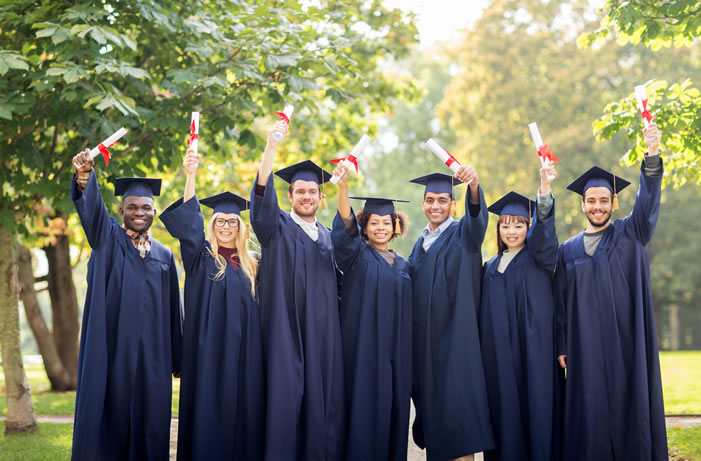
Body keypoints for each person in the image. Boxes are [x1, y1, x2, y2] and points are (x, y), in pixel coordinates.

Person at [555, 122, 666, 460]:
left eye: (604, 200)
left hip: (627, 344)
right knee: (590, 419)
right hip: (584, 349)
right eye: (592, 201)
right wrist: (562, 345)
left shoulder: (630, 234)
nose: (598, 206)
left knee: (631, 410)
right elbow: (560, 304)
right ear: (583, 204)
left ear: (613, 203)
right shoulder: (567, 250)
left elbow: (647, 206)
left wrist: (652, 154)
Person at [69, 150, 182, 461]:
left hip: (153, 358)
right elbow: (91, 212)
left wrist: (177, 359)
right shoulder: (107, 240)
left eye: (146, 207)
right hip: (112, 350)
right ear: (121, 210)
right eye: (132, 207)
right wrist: (83, 177)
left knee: (151, 422)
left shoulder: (164, 255)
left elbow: (174, 308)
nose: (139, 212)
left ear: (154, 211)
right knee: (110, 417)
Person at [159, 147, 264, 460]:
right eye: (220, 220)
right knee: (209, 416)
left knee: (246, 417)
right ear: (213, 223)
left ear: (241, 226)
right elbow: (189, 223)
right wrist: (190, 174)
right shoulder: (200, 258)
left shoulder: (255, 264)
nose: (227, 226)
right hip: (208, 356)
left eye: (233, 221)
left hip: (247, 356)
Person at [250, 120, 346, 460]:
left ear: (322, 198)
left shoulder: (329, 238)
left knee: (322, 407)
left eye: (312, 192)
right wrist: (271, 148)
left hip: (323, 337)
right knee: (284, 403)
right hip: (283, 332)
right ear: (289, 196)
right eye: (299, 192)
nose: (306, 197)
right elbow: (261, 197)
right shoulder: (275, 228)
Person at [408, 168, 494, 461]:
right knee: (438, 431)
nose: (436, 206)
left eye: (443, 200)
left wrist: (473, 185)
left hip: (458, 347)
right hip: (429, 352)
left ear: (453, 204)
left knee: (459, 431)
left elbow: (476, 218)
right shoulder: (418, 245)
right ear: (422, 204)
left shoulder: (464, 234)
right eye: (430, 200)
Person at [479, 161, 562, 461]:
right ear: (497, 229)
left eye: (519, 224)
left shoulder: (538, 257)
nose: (511, 230)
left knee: (536, 415)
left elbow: (545, 232)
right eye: (505, 224)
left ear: (529, 227)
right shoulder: (488, 267)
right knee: (503, 419)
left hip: (534, 355)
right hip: (498, 360)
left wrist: (544, 189)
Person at [330, 164, 413, 461]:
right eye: (374, 222)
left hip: (396, 357)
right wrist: (343, 188)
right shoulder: (355, 255)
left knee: (393, 415)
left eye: (386, 222)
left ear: (395, 226)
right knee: (361, 417)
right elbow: (344, 224)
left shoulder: (405, 265)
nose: (381, 227)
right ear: (365, 226)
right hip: (361, 353)